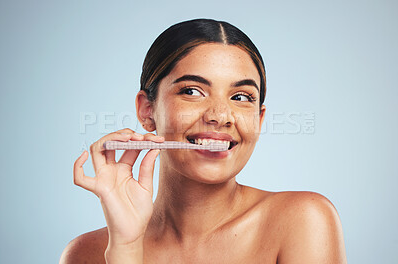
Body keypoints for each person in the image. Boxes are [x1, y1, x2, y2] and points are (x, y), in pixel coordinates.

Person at [60, 18, 347, 264]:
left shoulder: (303, 221)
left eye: (241, 97)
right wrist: (125, 249)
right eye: (193, 91)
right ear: (147, 110)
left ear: (259, 121)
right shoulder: (86, 254)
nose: (220, 116)